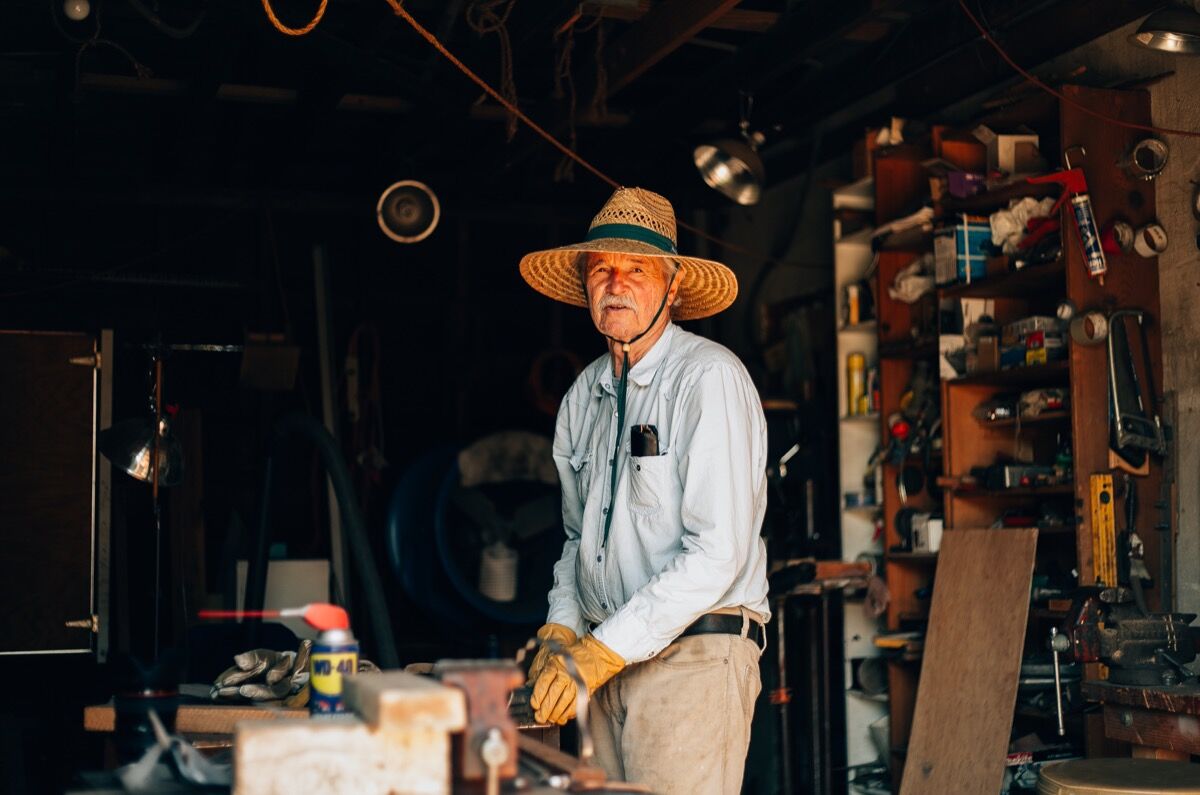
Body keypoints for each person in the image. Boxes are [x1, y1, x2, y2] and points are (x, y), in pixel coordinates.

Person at [518, 187, 770, 794]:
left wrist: (602, 650)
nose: (616, 282)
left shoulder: (707, 377)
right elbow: (579, 540)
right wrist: (561, 627)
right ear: (584, 284)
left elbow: (718, 553)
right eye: (601, 268)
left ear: (673, 285)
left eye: (636, 268)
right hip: (606, 665)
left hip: (693, 661)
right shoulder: (584, 396)